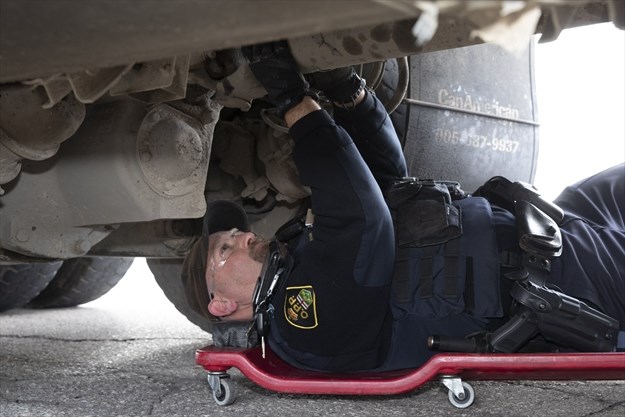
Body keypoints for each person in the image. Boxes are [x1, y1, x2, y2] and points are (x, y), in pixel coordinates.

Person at [182, 41, 625, 372]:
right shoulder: (302, 322)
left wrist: (350, 94)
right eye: (224, 251)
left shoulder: (297, 256)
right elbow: (362, 217)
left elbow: (389, 185)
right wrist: (293, 102)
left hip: (549, 233)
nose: (240, 238)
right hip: (570, 286)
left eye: (231, 236)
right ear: (221, 305)